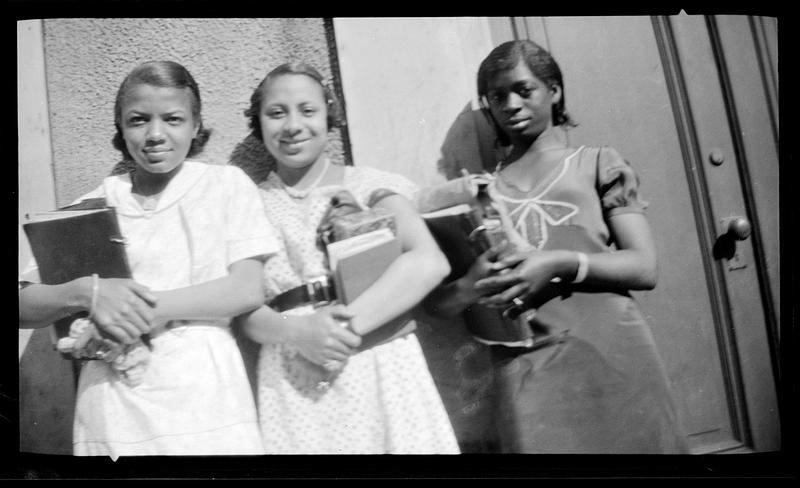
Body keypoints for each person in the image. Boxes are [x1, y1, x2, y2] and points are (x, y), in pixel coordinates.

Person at [424, 40, 688, 453]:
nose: (510, 103)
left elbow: (644, 267)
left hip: (612, 351)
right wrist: (471, 288)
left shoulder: (597, 163)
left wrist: (560, 262)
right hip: (527, 364)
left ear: (554, 90)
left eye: (523, 89)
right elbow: (438, 305)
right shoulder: (481, 195)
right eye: (497, 96)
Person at [18, 60, 278, 457]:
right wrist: (86, 293)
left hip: (206, 396)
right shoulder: (95, 204)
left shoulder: (225, 186)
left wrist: (146, 310)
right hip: (115, 402)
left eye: (173, 119)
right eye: (138, 120)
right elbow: (22, 301)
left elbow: (246, 288)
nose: (156, 134)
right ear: (121, 130)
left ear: (195, 125)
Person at [237, 62, 460, 454]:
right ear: (258, 122)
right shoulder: (247, 203)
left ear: (329, 115)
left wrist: (343, 330)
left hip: (378, 358)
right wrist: (301, 334)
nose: (292, 125)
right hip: (293, 369)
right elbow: (246, 310)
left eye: (308, 110)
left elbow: (428, 262)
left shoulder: (370, 185)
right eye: (276, 112)